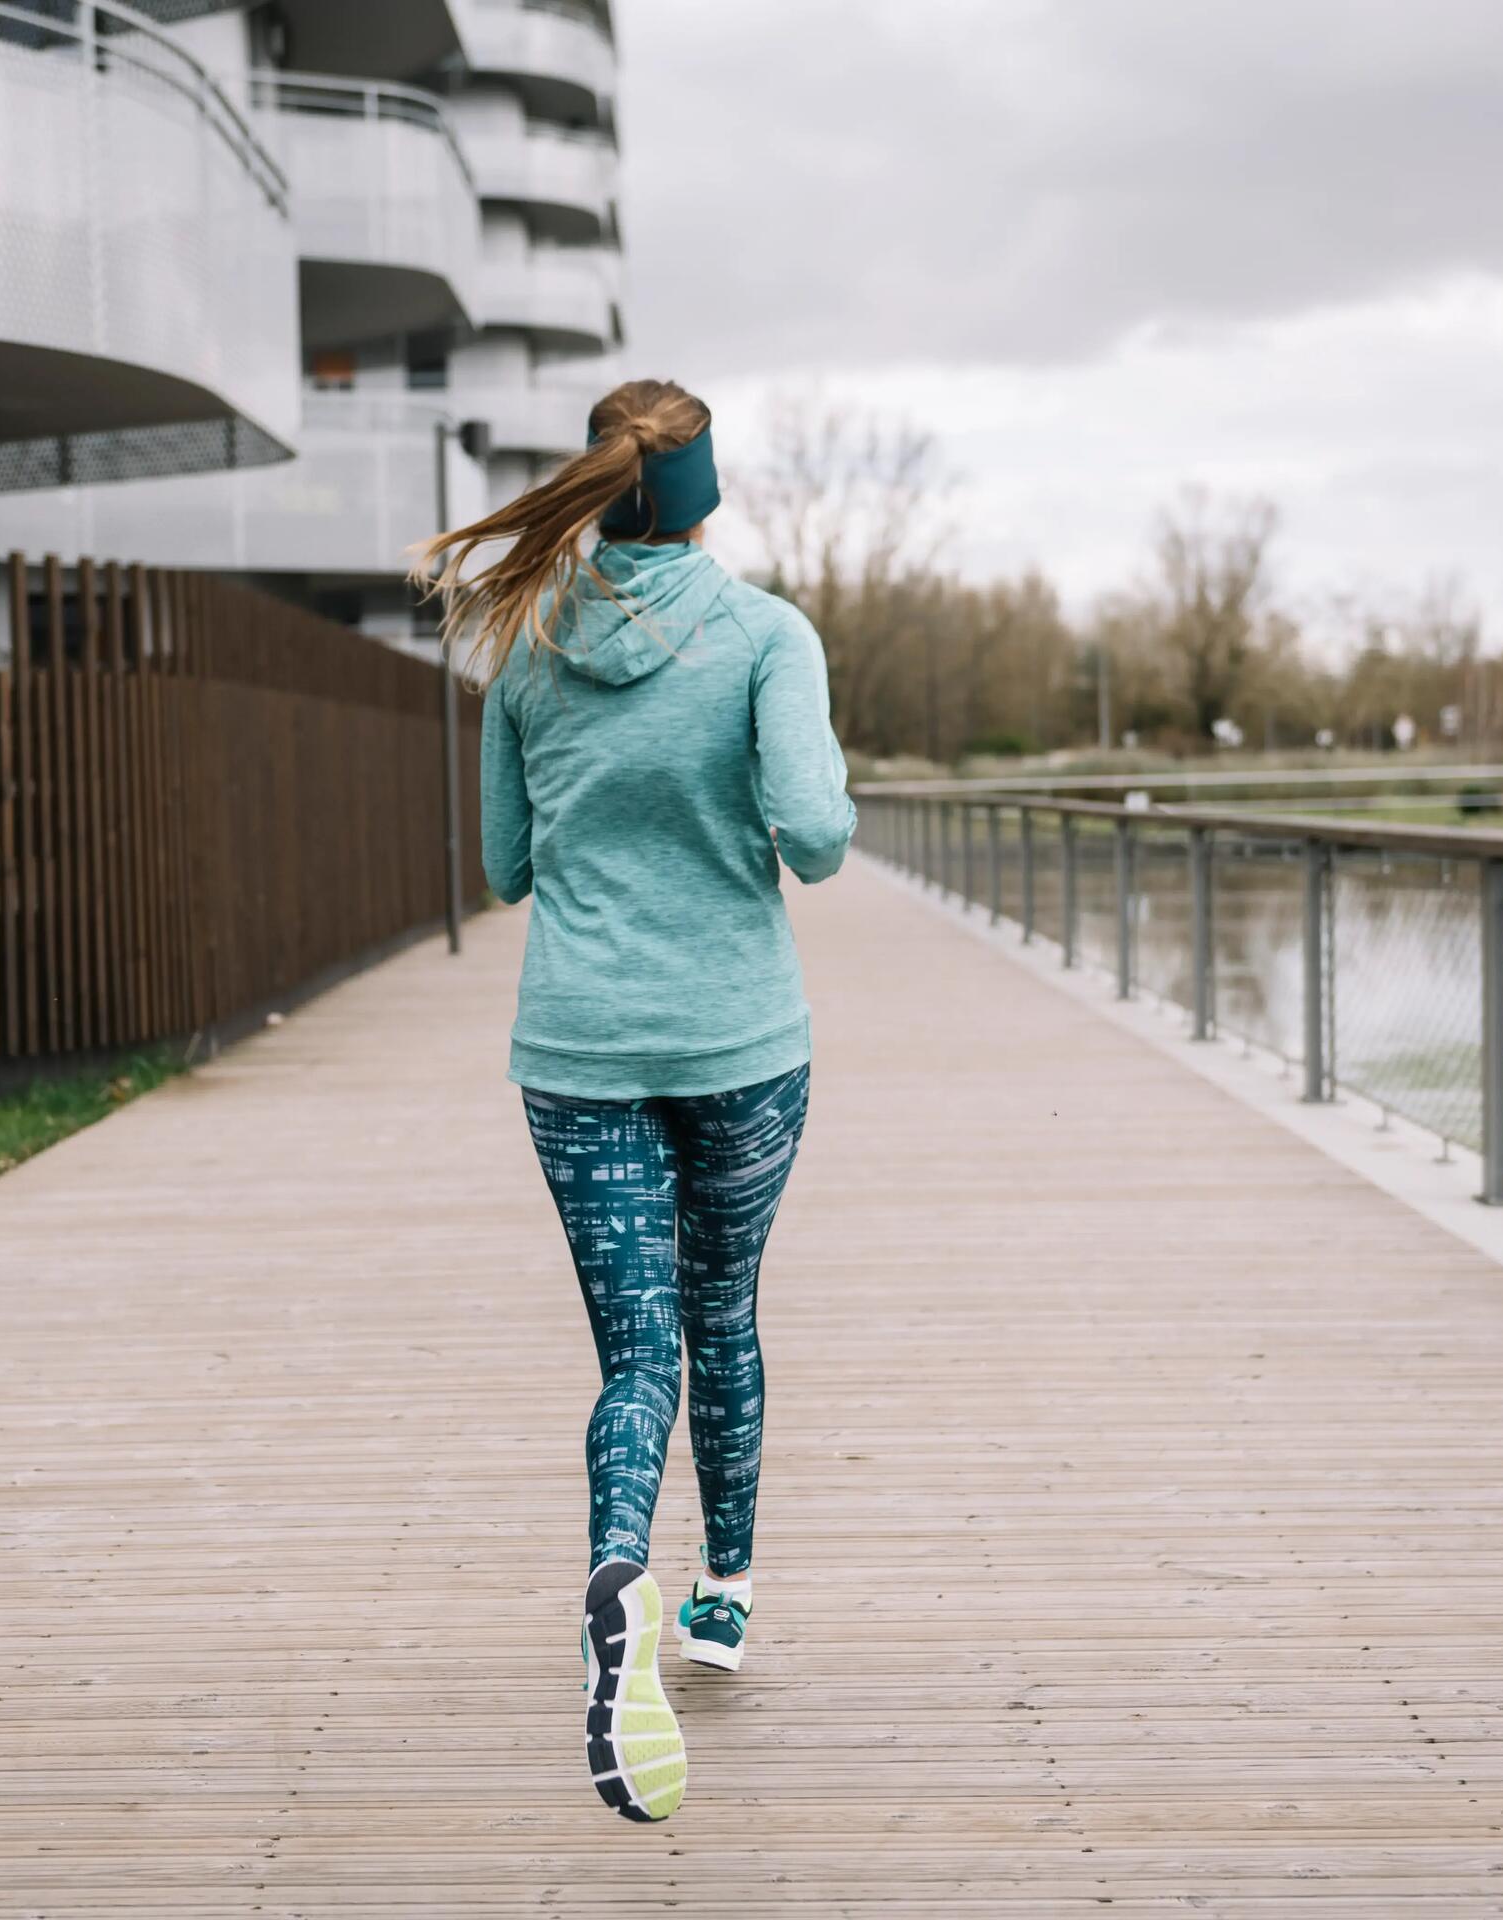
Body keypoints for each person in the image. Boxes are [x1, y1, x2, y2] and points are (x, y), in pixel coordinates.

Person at [414, 378, 855, 1823]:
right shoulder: (765, 636)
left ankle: (620, 1574)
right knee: (724, 1307)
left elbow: (507, 868)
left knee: (636, 1351)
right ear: (708, 490)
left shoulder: (527, 653)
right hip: (739, 1044)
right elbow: (823, 836)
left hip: (580, 1054)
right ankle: (722, 1595)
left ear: (596, 493)